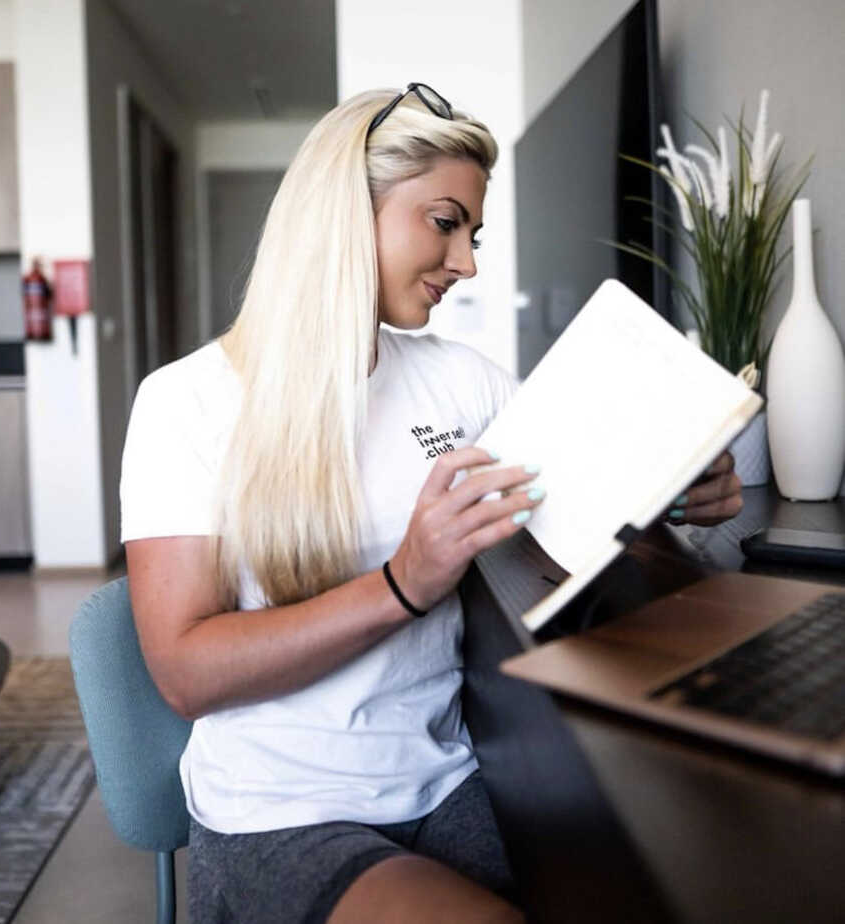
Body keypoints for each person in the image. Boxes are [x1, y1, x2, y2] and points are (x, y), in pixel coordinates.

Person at [119, 84, 743, 924]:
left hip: (447, 777)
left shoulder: (463, 383)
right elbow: (186, 673)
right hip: (282, 812)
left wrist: (668, 488)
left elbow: (562, 504)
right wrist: (404, 582)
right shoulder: (187, 403)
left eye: (473, 234)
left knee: (663, 886)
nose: (468, 262)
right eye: (445, 223)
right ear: (345, 209)